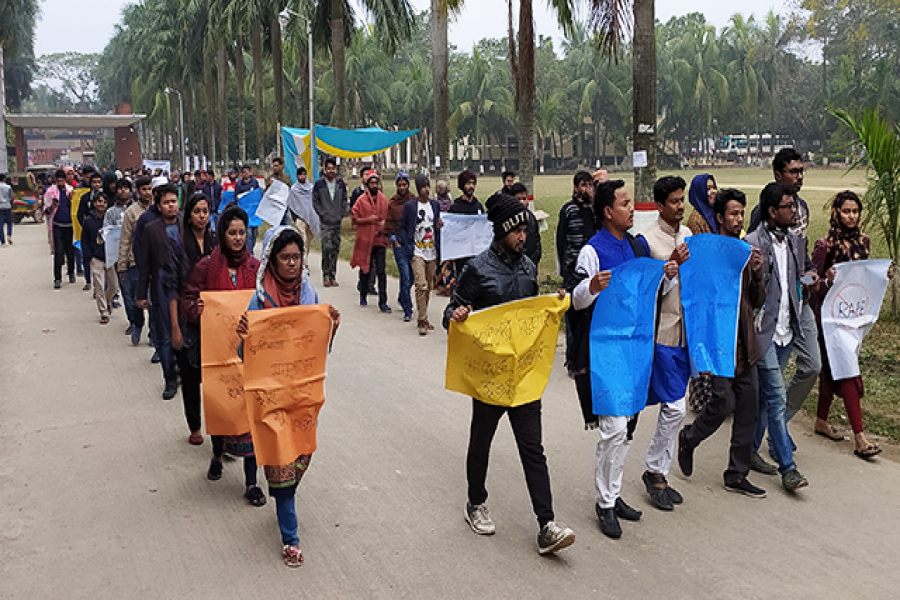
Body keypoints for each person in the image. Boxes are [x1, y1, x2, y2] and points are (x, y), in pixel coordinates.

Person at [443, 194, 576, 556]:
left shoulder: (529, 268)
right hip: (489, 379)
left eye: (524, 228)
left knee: (533, 449)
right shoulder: (477, 269)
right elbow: (450, 311)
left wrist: (555, 305)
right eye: (517, 229)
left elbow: (531, 316)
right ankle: (476, 502)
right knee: (481, 442)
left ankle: (547, 524)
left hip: (523, 378)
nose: (523, 235)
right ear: (501, 230)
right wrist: (457, 314)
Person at [236, 226, 341, 567]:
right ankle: (290, 537)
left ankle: (285, 499)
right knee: (281, 463)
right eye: (285, 258)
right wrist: (243, 335)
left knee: (300, 456)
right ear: (273, 261)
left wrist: (331, 326)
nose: (292, 263)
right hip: (272, 399)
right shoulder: (259, 299)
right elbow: (243, 353)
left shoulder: (309, 296)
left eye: (297, 257)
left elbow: (316, 348)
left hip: (303, 396)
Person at [569, 180, 656, 539]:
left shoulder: (636, 246)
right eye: (624, 203)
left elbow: (647, 291)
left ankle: (615, 492)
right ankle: (604, 502)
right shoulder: (592, 251)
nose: (631, 208)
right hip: (603, 350)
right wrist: (591, 288)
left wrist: (665, 273)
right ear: (607, 211)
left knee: (629, 425)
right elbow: (574, 300)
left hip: (632, 347)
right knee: (613, 428)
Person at [677, 189, 768, 498]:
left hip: (744, 342)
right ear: (719, 217)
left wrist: (756, 273)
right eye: (732, 213)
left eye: (742, 213)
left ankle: (736, 473)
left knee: (749, 406)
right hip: (718, 342)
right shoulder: (706, 252)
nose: (738, 219)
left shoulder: (745, 251)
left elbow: (757, 301)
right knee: (723, 401)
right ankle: (689, 437)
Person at [181, 206, 263, 496]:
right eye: (232, 233)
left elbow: (264, 303)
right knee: (220, 406)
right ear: (223, 234)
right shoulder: (207, 266)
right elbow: (188, 297)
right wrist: (197, 308)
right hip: (217, 351)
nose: (238, 238)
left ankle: (251, 482)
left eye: (242, 232)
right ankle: (217, 456)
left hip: (249, 352)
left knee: (250, 411)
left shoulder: (255, 267)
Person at [744, 182, 810, 491]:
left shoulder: (796, 241)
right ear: (772, 211)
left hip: (787, 329)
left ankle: (748, 451)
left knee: (766, 399)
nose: (794, 212)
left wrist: (816, 278)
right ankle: (788, 467)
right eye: (788, 207)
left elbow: (800, 276)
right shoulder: (752, 243)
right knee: (777, 395)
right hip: (763, 332)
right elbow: (747, 294)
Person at [748, 149, 822, 426]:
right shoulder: (765, 210)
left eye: (802, 171)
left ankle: (778, 424)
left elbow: (800, 254)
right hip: (774, 305)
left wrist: (811, 272)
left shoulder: (802, 208)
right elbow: (759, 255)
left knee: (812, 365)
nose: (799, 176)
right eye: (793, 171)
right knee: (773, 377)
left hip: (799, 297)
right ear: (778, 174)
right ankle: (762, 439)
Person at [811, 191, 884, 459]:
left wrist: (882, 276)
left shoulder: (863, 243)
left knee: (833, 370)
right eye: (846, 211)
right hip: (828, 322)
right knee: (848, 374)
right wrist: (825, 280)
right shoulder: (825, 246)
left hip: (852, 318)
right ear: (836, 213)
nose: (851, 216)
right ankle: (860, 438)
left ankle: (820, 420)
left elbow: (864, 280)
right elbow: (808, 283)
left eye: (855, 211)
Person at [637, 175, 691, 511]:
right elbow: (644, 293)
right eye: (673, 201)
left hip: (687, 334)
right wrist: (668, 269)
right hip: (662, 334)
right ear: (659, 205)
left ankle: (660, 473)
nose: (680, 206)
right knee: (675, 408)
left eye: (682, 200)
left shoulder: (688, 236)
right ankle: (654, 469)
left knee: (676, 408)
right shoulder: (647, 242)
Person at [165, 192, 213, 446]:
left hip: (215, 318)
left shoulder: (217, 241)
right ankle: (195, 426)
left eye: (205, 211)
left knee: (217, 378)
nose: (201, 216)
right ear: (189, 214)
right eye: (197, 211)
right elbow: (172, 287)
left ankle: (221, 432)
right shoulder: (177, 243)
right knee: (191, 377)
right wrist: (175, 326)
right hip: (186, 318)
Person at [137, 183, 182, 400]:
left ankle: (184, 372)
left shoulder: (187, 224)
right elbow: (144, 264)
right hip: (160, 287)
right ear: (159, 205)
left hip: (185, 287)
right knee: (164, 336)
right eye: (166, 202)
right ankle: (169, 379)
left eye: (174, 201)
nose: (171, 206)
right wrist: (141, 294)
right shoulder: (150, 229)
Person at [557, 171, 597, 376]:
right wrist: (564, 269)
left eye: (589, 184)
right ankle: (572, 359)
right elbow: (560, 241)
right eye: (583, 185)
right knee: (573, 314)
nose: (586, 189)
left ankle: (587, 356)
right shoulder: (568, 210)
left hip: (591, 268)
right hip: (573, 270)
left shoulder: (595, 210)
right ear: (575, 187)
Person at [402, 173, 442, 335]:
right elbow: (404, 226)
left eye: (427, 187)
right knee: (420, 284)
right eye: (422, 188)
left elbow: (438, 223)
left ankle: (423, 315)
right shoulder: (411, 206)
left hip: (431, 251)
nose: (426, 190)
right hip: (417, 250)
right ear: (418, 190)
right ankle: (422, 320)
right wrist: (405, 245)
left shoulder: (435, 205)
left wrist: (440, 226)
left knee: (429, 287)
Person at [351, 170, 391, 312]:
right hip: (365, 240)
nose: (374, 185)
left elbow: (388, 218)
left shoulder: (384, 200)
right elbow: (354, 218)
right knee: (365, 269)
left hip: (379, 240)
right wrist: (369, 220)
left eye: (376, 183)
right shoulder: (361, 200)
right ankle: (363, 294)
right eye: (371, 183)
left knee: (381, 271)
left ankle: (383, 301)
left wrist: (383, 225)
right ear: (367, 185)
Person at [119, 176, 151, 345]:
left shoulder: (157, 209)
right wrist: (122, 265)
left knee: (155, 299)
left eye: (149, 188)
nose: (147, 192)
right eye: (143, 189)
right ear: (137, 191)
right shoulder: (131, 212)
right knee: (137, 298)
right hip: (135, 262)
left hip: (154, 262)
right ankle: (137, 325)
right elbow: (125, 239)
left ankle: (154, 334)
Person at [313, 157, 349, 287]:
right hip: (326, 221)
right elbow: (315, 201)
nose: (331, 171)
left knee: (335, 248)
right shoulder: (319, 185)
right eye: (328, 168)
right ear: (324, 169)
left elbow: (345, 200)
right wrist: (322, 214)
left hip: (336, 221)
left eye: (333, 168)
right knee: (326, 248)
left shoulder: (340, 184)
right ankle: (326, 275)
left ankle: (333, 274)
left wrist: (342, 213)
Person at [81, 194, 117, 324]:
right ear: (94, 203)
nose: (101, 204)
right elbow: (84, 239)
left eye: (104, 201)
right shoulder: (88, 221)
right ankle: (103, 312)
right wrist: (88, 255)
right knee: (99, 286)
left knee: (113, 285)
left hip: (111, 256)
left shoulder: (111, 219)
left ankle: (108, 301)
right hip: (96, 257)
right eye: (99, 201)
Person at [385, 170, 415, 321]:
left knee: (413, 277)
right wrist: (394, 241)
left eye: (405, 185)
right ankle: (407, 309)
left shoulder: (414, 201)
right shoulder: (392, 204)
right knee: (404, 275)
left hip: (414, 243)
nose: (402, 187)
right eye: (400, 185)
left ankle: (402, 296)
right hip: (399, 244)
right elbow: (388, 225)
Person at [43, 169, 76, 289]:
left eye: (62, 180)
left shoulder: (71, 191)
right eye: (58, 181)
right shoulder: (50, 192)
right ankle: (57, 278)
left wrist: (71, 200)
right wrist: (52, 206)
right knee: (58, 252)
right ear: (55, 180)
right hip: (57, 225)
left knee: (70, 251)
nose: (60, 183)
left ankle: (71, 272)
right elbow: (46, 211)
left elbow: (76, 207)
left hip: (70, 225)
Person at [77, 171, 105, 290]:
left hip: (103, 229)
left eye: (99, 182)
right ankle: (88, 281)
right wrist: (85, 225)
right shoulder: (85, 197)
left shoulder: (106, 197)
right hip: (90, 228)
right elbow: (80, 213)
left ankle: (100, 285)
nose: (96, 184)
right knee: (87, 255)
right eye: (94, 182)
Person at [510, 182, 541, 266]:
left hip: (530, 262)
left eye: (524, 199)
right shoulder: (507, 219)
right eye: (518, 199)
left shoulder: (531, 218)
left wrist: (534, 259)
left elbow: (537, 240)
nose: (522, 202)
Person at [0, 173, 14, 246]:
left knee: (0, 224)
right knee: (9, 223)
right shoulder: (8, 187)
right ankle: (9, 235)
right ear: (4, 179)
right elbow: (12, 197)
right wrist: (11, 203)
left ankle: (2, 241)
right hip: (7, 206)